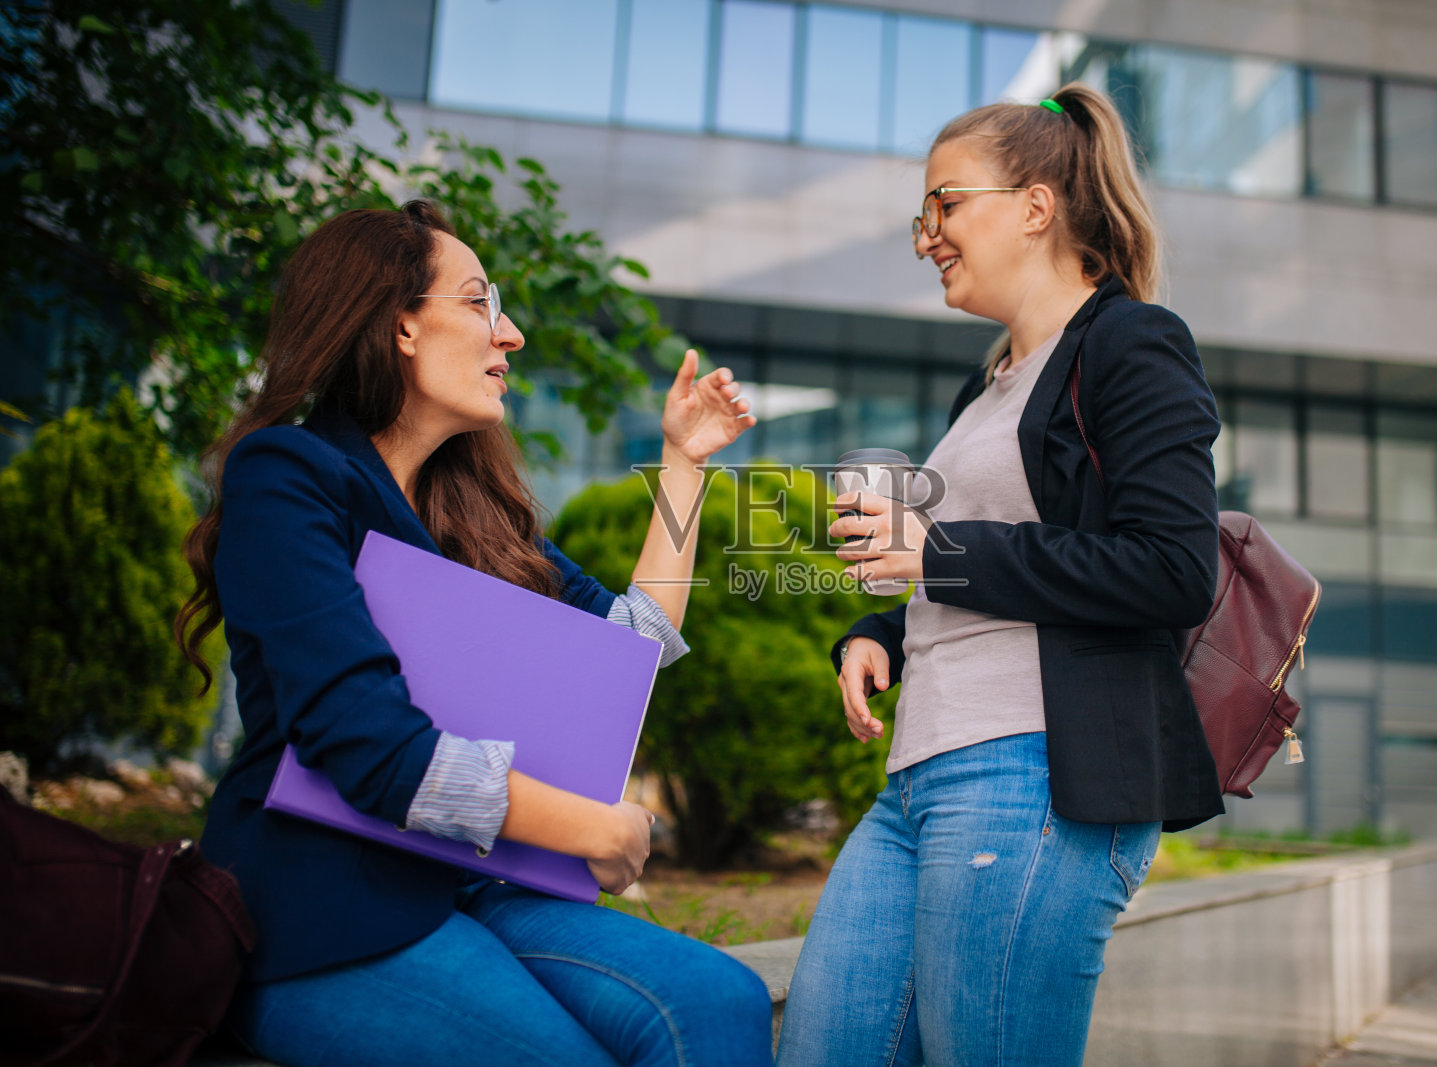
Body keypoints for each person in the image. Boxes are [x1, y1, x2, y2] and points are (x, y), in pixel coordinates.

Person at [175, 201, 774, 1067]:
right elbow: (369, 745)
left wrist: (684, 467)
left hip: (469, 878)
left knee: (722, 1001)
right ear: (401, 326)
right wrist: (595, 830)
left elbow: (631, 644)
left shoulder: (474, 510)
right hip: (322, 910)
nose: (513, 334)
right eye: (479, 302)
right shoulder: (289, 475)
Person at [775, 85, 1226, 1067]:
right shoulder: (981, 386)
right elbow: (978, 560)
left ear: (1035, 205)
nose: (925, 235)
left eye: (945, 205)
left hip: (1036, 773)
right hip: (917, 777)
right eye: (920, 215)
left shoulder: (1130, 345)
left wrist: (937, 554)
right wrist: (878, 629)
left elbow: (1172, 568)